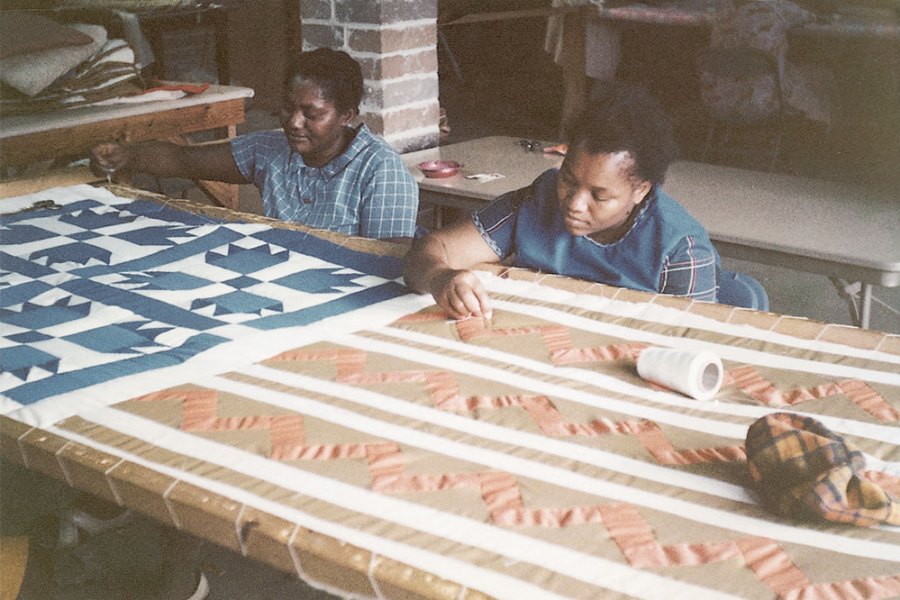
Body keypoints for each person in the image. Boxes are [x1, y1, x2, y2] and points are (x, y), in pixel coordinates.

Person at [404, 83, 768, 320]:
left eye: (599, 195)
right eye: (568, 180)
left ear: (641, 189)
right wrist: (441, 278)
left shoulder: (679, 250)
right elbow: (433, 249)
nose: (574, 204)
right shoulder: (538, 199)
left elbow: (692, 344)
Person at [92, 48, 419, 243]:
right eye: (288, 108)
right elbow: (183, 160)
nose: (294, 122)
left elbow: (388, 264)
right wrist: (125, 156)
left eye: (312, 114)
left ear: (347, 115)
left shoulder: (380, 171)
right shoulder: (272, 150)